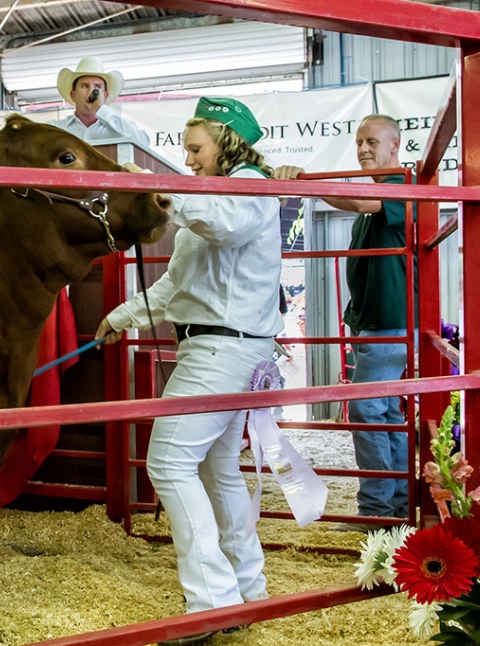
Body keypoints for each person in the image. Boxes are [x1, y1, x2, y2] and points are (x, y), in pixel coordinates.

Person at [95, 97, 282, 646]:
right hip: (222, 346)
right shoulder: (209, 200)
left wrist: (164, 189)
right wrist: (118, 318)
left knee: (170, 461)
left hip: (222, 350)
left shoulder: (247, 186)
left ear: (225, 141)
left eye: (195, 148)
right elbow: (176, 287)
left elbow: (226, 225)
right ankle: (247, 590)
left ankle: (210, 605)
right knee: (215, 470)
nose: (189, 158)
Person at [273, 114, 411, 531]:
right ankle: (398, 502)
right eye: (359, 142)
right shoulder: (376, 203)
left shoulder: (401, 189)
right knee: (384, 412)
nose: (364, 149)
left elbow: (353, 200)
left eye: (372, 141)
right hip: (375, 321)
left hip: (388, 323)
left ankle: (376, 511)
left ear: (395, 146)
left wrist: (305, 183)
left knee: (369, 410)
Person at [52, 57, 150, 146]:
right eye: (85, 86)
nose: (91, 91)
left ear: (105, 96)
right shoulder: (57, 129)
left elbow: (143, 142)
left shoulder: (119, 127)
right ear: (73, 95)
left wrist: (101, 109)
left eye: (98, 87)